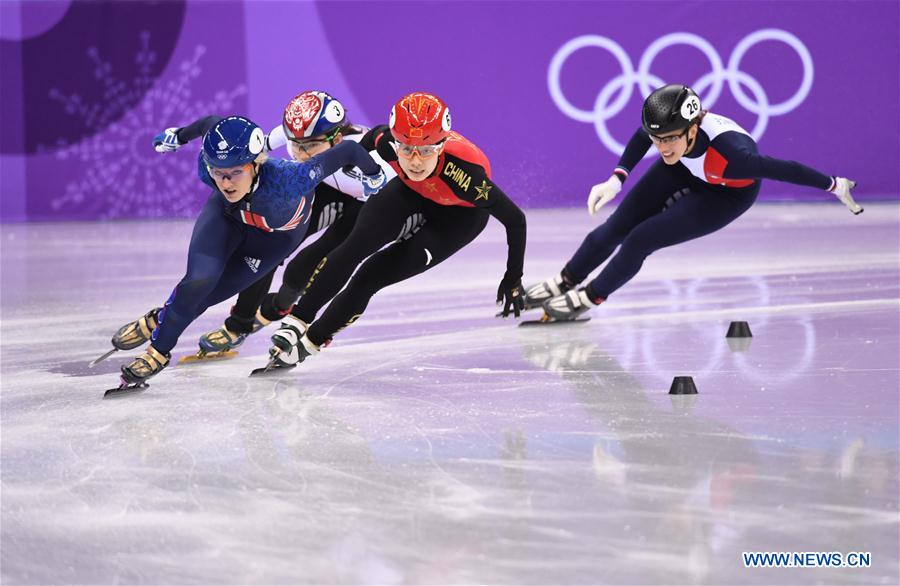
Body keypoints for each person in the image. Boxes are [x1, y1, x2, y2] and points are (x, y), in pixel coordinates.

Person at [523, 83, 863, 321]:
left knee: (640, 239)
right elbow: (645, 135)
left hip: (725, 193)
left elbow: (787, 170)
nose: (662, 147)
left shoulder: (735, 156)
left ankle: (588, 296)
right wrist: (617, 178)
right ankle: (563, 281)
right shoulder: (671, 140)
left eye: (670, 139)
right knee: (616, 226)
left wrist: (835, 185)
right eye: (659, 140)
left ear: (693, 129)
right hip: (686, 169)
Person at [104, 114, 386, 389]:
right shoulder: (208, 167)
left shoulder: (291, 179)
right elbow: (211, 123)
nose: (226, 183)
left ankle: (162, 317)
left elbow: (348, 149)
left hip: (272, 240)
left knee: (207, 295)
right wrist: (179, 136)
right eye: (219, 173)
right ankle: (157, 352)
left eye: (236, 173)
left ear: (256, 163)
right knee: (198, 282)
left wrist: (374, 177)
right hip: (228, 216)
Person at [266, 91, 527, 367]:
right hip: (409, 191)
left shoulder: (468, 176)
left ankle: (311, 342)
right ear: (395, 140)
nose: (415, 161)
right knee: (353, 247)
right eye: (406, 148)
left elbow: (515, 220)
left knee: (371, 275)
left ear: (440, 145)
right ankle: (298, 320)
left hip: (458, 218)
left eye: (425, 151)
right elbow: (348, 149)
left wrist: (513, 278)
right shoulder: (385, 139)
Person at [182, 91, 412, 358]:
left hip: (365, 204)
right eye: (296, 145)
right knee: (268, 243)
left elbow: (398, 192)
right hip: (324, 186)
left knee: (304, 265)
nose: (302, 153)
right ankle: (239, 324)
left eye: (311, 146)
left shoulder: (367, 153)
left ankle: (278, 307)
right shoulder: (292, 133)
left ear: (337, 139)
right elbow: (254, 152)